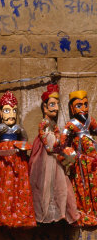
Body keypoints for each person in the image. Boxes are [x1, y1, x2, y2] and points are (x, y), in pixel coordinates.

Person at [29, 84, 79, 224]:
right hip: (46, 153)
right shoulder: (44, 123)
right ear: (45, 107)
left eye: (57, 104)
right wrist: (55, 146)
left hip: (54, 151)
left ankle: (58, 209)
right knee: (45, 182)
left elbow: (57, 135)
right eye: (52, 104)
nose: (56, 108)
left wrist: (60, 144)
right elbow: (45, 140)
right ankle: (46, 210)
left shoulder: (53, 125)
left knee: (58, 182)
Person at [0, 91, 36, 227]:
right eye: (7, 111)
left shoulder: (19, 129)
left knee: (18, 187)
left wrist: (21, 148)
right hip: (2, 160)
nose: (11, 114)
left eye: (14, 111)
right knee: (2, 187)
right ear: (1, 113)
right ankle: (2, 216)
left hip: (17, 160)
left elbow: (25, 139)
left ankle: (19, 216)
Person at [61, 90, 97, 226]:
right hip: (81, 164)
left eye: (85, 104)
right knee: (82, 187)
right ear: (72, 108)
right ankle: (86, 212)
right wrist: (69, 152)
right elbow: (62, 143)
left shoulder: (90, 121)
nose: (83, 109)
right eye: (79, 105)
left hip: (93, 162)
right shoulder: (70, 125)